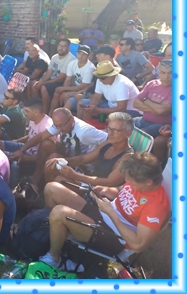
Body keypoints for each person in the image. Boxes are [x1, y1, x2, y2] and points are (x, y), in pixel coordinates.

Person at [39, 152, 169, 268]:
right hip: (102, 214)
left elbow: (138, 245)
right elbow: (121, 190)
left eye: (131, 180)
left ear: (148, 182)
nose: (127, 181)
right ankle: (47, 232)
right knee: (52, 188)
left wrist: (110, 212)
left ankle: (54, 258)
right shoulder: (139, 181)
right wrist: (106, 190)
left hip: (113, 237)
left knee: (59, 213)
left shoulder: (156, 207)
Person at [13, 107, 108, 186]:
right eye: (56, 126)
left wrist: (99, 156)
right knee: (46, 144)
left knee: (52, 160)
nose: (59, 129)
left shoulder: (84, 132)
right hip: (69, 152)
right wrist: (22, 150)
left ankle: (47, 188)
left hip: (83, 163)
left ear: (71, 120)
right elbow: (41, 136)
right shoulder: (61, 123)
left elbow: (109, 139)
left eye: (62, 125)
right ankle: (37, 177)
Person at [43, 112, 134, 189]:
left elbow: (109, 182)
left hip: (98, 190)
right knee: (51, 164)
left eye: (115, 130)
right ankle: (43, 195)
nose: (110, 133)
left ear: (128, 133)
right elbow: (83, 159)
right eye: (109, 129)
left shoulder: (127, 157)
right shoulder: (107, 144)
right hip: (89, 179)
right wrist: (63, 160)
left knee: (58, 181)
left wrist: (75, 176)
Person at [78, 61, 142, 120]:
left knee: (111, 118)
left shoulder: (122, 84)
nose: (100, 80)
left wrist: (98, 110)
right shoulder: (100, 80)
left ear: (112, 75)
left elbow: (121, 109)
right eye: (98, 77)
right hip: (112, 106)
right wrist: (90, 107)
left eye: (103, 78)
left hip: (131, 111)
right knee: (87, 111)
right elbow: (97, 97)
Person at [31, 39, 76, 113]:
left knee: (44, 88)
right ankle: (36, 108)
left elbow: (61, 77)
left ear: (68, 48)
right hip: (53, 80)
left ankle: (45, 111)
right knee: (34, 84)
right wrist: (41, 81)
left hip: (63, 82)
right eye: (60, 45)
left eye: (64, 46)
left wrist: (43, 83)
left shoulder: (70, 59)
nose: (61, 48)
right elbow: (49, 72)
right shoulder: (54, 57)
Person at [51, 45, 95, 115]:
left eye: (84, 55)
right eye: (79, 53)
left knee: (66, 95)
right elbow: (68, 80)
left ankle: (66, 115)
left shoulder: (90, 68)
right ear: (77, 53)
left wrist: (64, 89)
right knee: (58, 92)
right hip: (75, 87)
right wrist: (63, 90)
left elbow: (83, 86)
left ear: (88, 56)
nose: (81, 56)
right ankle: (52, 113)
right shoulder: (72, 63)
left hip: (86, 91)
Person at [132, 60, 172, 137]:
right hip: (143, 119)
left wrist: (145, 100)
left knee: (139, 135)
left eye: (170, 73)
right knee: (122, 125)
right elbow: (135, 103)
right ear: (158, 73)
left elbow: (161, 111)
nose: (166, 76)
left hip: (161, 125)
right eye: (163, 72)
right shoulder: (152, 83)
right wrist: (156, 109)